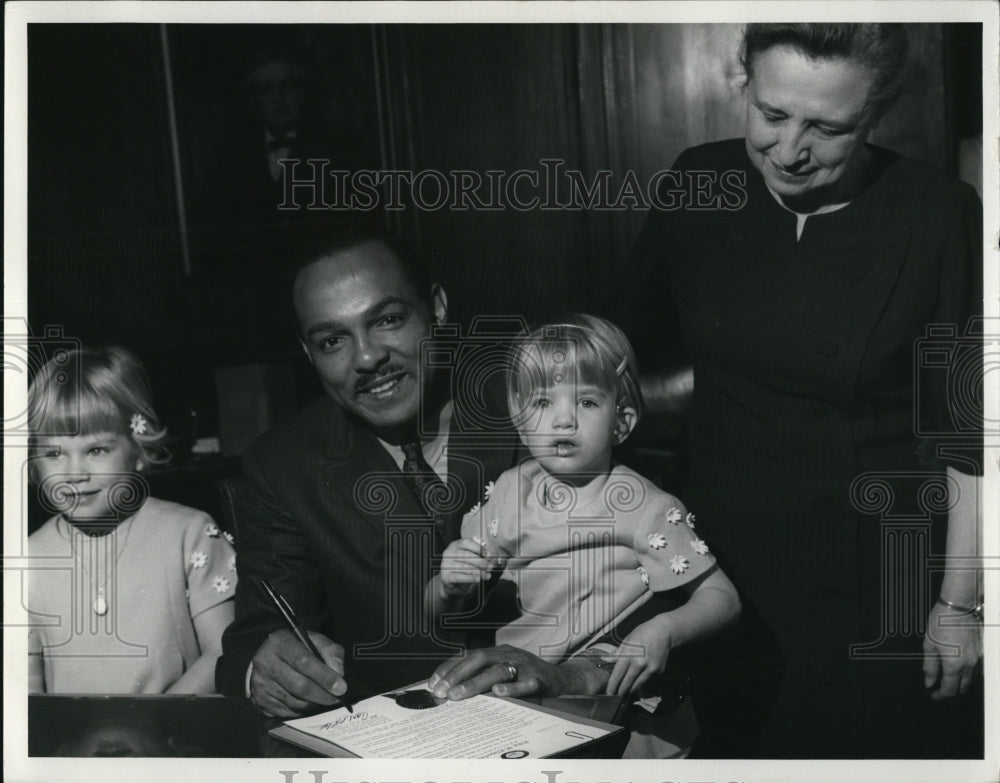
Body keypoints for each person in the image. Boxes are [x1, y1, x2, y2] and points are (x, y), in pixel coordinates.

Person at [615, 23, 983, 758]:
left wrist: (958, 604)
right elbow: (615, 352)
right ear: (742, 82)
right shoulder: (697, 183)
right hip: (723, 568)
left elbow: (966, 439)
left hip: (879, 568)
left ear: (874, 118)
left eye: (827, 127)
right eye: (772, 115)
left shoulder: (937, 211)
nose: (789, 151)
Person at [426, 315, 741, 757]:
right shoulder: (509, 493)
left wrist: (664, 630)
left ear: (622, 420)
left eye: (587, 403)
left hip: (619, 720)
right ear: (519, 420)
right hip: (520, 713)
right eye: (541, 402)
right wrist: (447, 584)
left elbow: (723, 599)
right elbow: (436, 611)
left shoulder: (646, 507)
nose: (563, 421)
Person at [27, 346, 236, 694]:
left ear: (138, 450)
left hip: (175, 737)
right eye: (54, 453)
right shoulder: (28, 559)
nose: (74, 473)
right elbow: (27, 691)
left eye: (96, 450)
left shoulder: (189, 534)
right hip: (69, 744)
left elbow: (224, 652)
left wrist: (154, 724)